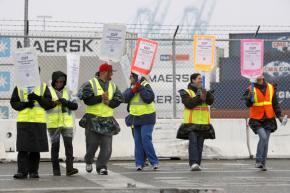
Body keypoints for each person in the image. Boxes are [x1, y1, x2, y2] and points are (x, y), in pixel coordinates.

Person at [78, 63, 123, 175]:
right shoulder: (90, 83)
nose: (112, 74)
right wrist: (100, 98)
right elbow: (87, 100)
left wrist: (109, 102)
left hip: (107, 121)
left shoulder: (113, 86)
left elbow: (118, 100)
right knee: (92, 144)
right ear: (104, 72)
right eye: (111, 72)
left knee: (107, 147)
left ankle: (102, 167)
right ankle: (88, 160)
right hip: (93, 120)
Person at [10, 79, 52, 179]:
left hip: (38, 121)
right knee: (22, 147)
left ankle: (33, 171)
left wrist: (37, 98)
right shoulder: (19, 86)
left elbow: (48, 104)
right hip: (24, 121)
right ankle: (22, 172)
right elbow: (14, 102)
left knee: (35, 148)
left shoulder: (43, 87)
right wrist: (25, 104)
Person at [243, 75, 283, 171]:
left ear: (263, 75)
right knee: (263, 137)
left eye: (260, 73)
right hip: (256, 118)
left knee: (266, 141)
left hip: (269, 118)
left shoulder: (270, 87)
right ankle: (258, 161)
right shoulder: (250, 88)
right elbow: (248, 104)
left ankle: (263, 164)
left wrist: (279, 116)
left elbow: (275, 103)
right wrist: (249, 97)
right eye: (256, 74)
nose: (258, 75)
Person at [177, 73, 215, 171]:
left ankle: (197, 164)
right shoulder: (185, 92)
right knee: (193, 143)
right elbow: (189, 104)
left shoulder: (204, 91)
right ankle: (193, 163)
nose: (200, 81)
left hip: (203, 124)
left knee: (200, 145)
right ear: (193, 80)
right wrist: (199, 97)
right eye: (198, 79)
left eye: (201, 79)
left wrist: (207, 94)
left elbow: (210, 102)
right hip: (191, 124)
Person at [123, 72, 159, 171]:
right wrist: (134, 90)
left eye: (131, 76)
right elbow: (124, 98)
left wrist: (140, 88)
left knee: (145, 139)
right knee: (138, 141)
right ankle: (139, 163)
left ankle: (154, 161)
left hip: (147, 116)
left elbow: (149, 98)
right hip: (135, 118)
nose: (130, 77)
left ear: (136, 77)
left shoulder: (145, 85)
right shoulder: (131, 86)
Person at [46, 71, 79, 176]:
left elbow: (75, 106)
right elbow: (45, 105)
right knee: (55, 147)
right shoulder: (48, 91)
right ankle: (56, 170)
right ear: (54, 81)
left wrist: (65, 102)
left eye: (62, 81)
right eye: (57, 81)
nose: (59, 83)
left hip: (67, 123)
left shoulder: (68, 91)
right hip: (53, 123)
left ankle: (70, 168)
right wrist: (54, 103)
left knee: (69, 146)